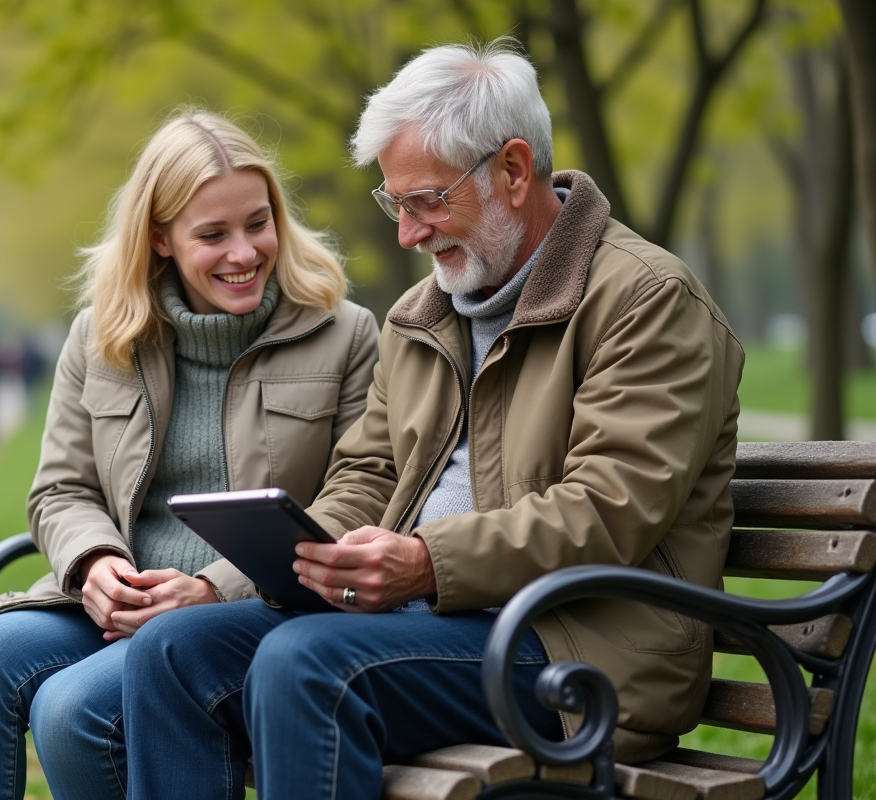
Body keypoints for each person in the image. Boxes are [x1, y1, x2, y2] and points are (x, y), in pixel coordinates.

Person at [121, 40, 746, 800]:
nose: (408, 234)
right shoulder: (423, 315)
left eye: (426, 201)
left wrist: (425, 561)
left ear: (514, 171)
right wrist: (313, 549)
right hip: (423, 627)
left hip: (576, 650)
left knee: (306, 663)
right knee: (174, 651)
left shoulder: (646, 300)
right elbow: (369, 471)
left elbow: (610, 509)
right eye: (397, 204)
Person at [0, 110, 380, 800]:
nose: (244, 252)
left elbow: (358, 493)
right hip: (120, 603)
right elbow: (61, 490)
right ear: (160, 238)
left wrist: (213, 588)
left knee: (71, 710)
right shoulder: (102, 337)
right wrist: (95, 565)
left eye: (258, 223)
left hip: (252, 613)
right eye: (213, 234)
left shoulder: (345, 334)